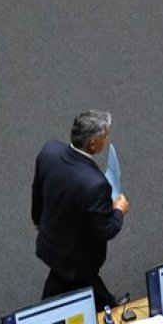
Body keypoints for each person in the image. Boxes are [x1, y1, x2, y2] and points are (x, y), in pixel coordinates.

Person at [32, 110, 129, 309]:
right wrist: (119, 210)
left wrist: (37, 220)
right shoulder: (95, 184)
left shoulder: (50, 151)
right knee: (68, 284)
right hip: (76, 258)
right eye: (105, 136)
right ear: (92, 144)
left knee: (81, 283)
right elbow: (106, 229)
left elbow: (37, 190)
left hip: (52, 240)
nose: (107, 140)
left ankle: (109, 305)